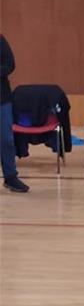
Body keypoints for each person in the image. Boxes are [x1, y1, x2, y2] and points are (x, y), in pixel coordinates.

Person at [1, 34, 28, 193]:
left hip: (1, 98)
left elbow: (10, 64)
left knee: (6, 139)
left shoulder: (0, 40)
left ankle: (10, 177)